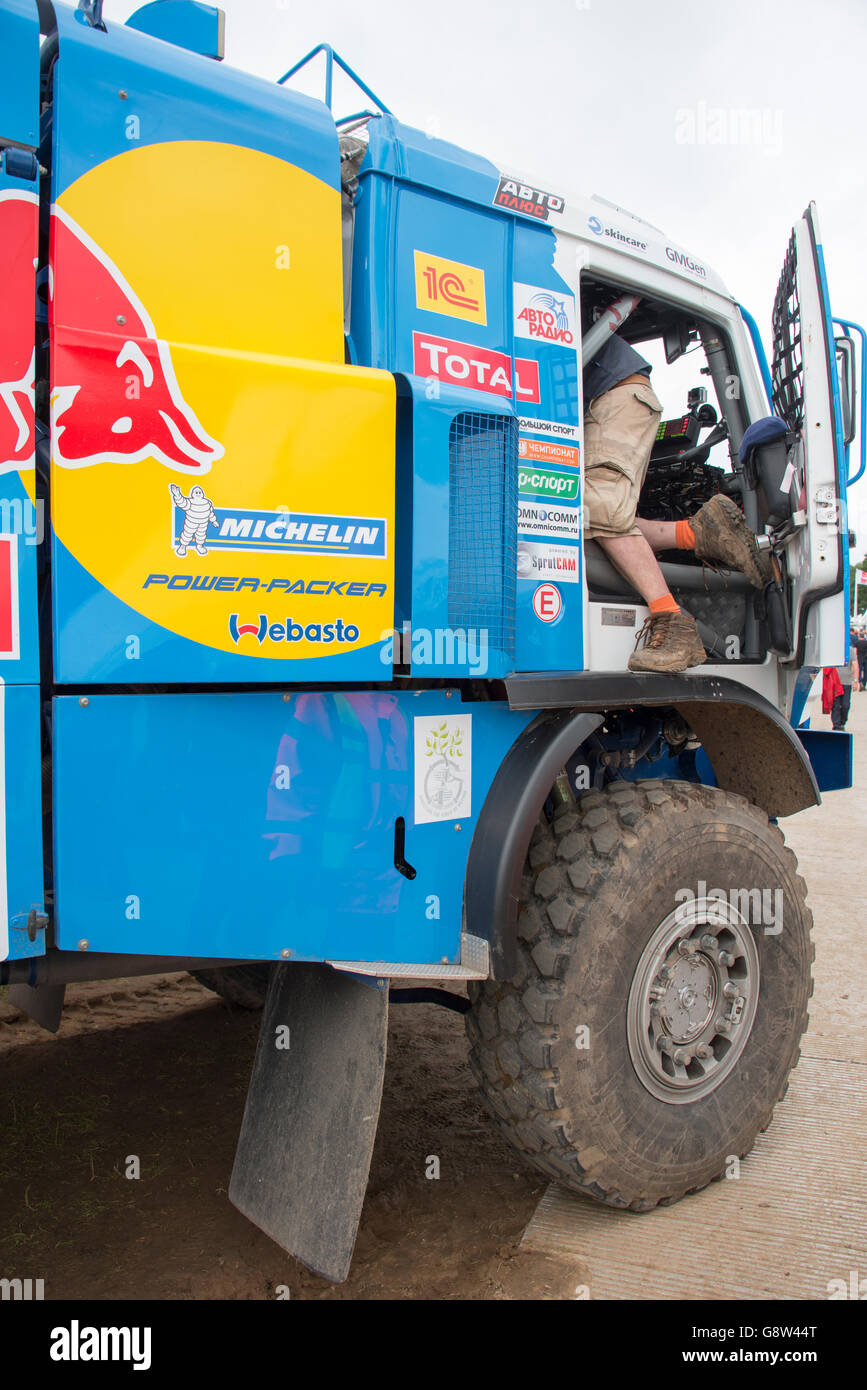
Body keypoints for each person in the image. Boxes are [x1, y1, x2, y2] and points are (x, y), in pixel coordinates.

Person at [583, 332, 772, 672]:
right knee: (582, 516)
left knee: (598, 508)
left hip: (613, 394)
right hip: (609, 394)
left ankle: (670, 618)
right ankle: (701, 533)